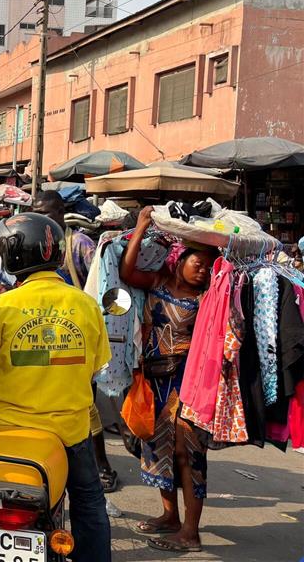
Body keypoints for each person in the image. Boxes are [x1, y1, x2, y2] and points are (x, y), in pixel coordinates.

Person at [0, 213, 112, 562]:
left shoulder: (2, 306)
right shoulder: (86, 305)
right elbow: (95, 370)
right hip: (68, 432)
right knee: (89, 501)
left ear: (16, 257)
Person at [120, 206, 216, 554]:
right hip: (154, 383)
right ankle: (170, 516)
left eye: (208, 265)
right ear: (180, 259)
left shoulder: (208, 298)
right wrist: (141, 226)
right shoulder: (159, 280)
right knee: (160, 450)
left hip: (187, 385)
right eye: (197, 262)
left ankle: (191, 532)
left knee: (187, 455)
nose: (202, 270)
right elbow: (127, 272)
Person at [32, 189, 119, 492]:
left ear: (60, 213)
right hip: (38, 336)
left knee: (86, 405)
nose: (42, 219)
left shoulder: (78, 244)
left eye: (47, 213)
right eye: (36, 212)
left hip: (75, 337)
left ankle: (101, 464)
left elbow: (103, 284)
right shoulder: (30, 243)